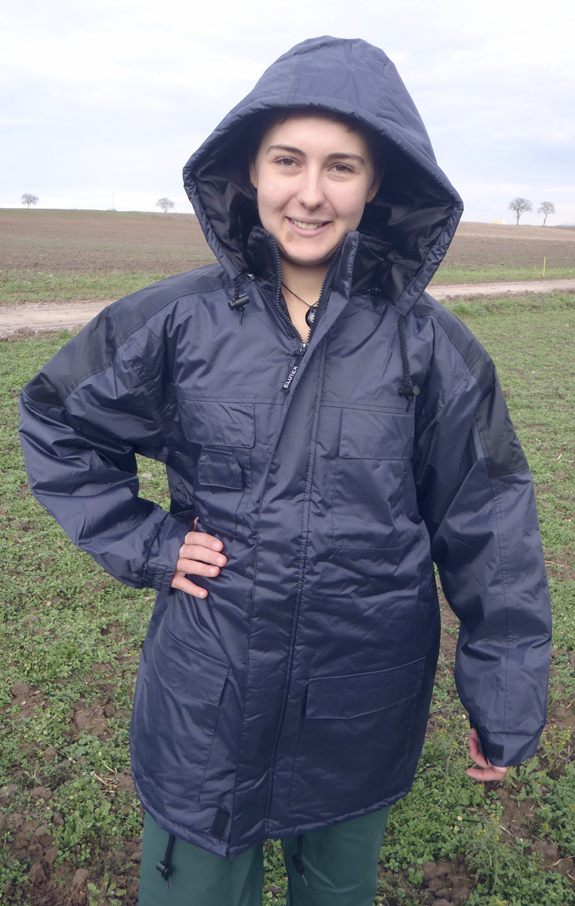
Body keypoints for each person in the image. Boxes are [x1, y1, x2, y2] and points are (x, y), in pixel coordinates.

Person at [19, 36, 551, 906]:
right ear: (249, 170)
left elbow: (489, 523)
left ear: (376, 183)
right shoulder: (176, 320)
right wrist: (149, 542)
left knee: (337, 887)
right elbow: (57, 418)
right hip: (209, 689)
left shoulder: (432, 347)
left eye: (341, 166)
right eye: (287, 160)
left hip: (362, 694)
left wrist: (504, 695)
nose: (310, 192)